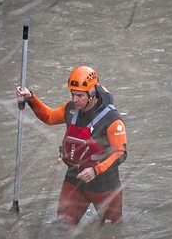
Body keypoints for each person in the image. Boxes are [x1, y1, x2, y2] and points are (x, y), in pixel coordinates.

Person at [16, 65, 127, 225]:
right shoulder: (70, 110)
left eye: (80, 96)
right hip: (75, 178)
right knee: (62, 227)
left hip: (105, 184)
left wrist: (95, 170)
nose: (75, 100)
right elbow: (49, 116)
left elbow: (120, 153)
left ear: (92, 93)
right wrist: (30, 98)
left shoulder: (112, 120)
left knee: (111, 230)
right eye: (73, 94)